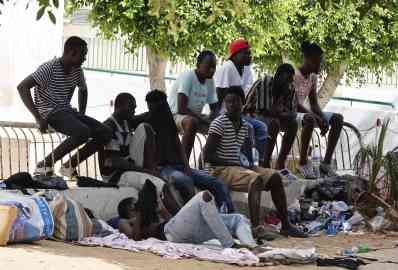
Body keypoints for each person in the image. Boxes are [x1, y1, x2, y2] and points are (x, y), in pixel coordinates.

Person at [203, 86, 306, 238]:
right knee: (255, 179)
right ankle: (256, 227)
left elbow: (247, 154)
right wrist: (237, 164)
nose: (231, 105)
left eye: (235, 101)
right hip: (219, 169)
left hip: (236, 168)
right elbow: (208, 156)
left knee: (275, 177)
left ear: (243, 103)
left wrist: (250, 165)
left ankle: (286, 225)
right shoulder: (219, 123)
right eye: (228, 102)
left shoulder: (245, 126)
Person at [17, 36, 112, 175]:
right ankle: (44, 165)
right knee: (83, 132)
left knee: (106, 132)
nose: (84, 59)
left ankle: (69, 166)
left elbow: (83, 90)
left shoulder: (77, 70)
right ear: (71, 52)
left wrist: (82, 114)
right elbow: (22, 87)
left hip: (67, 111)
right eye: (83, 55)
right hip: (50, 112)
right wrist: (38, 118)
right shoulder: (49, 68)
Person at [145, 90, 234, 213]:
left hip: (178, 166)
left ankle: (228, 216)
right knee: (185, 181)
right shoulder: (146, 123)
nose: (163, 108)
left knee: (217, 184)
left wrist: (186, 166)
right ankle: (195, 215)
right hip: (163, 168)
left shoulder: (168, 120)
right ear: (151, 106)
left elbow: (178, 145)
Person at [118, 180, 258, 249]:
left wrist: (160, 208)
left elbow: (172, 221)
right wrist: (140, 212)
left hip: (180, 231)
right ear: (128, 209)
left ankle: (252, 248)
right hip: (173, 234)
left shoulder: (150, 215)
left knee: (238, 219)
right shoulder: (123, 221)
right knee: (204, 196)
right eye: (133, 205)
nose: (136, 205)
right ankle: (230, 245)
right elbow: (135, 238)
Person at [214, 39, 267, 165]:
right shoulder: (227, 68)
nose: (250, 56)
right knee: (250, 128)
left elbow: (246, 94)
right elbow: (219, 95)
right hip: (224, 113)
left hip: (239, 112)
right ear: (235, 54)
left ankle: (259, 162)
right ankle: (248, 164)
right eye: (246, 53)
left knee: (261, 127)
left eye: (250, 53)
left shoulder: (246, 69)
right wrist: (216, 117)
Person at [294, 42, 344, 177]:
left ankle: (326, 164)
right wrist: (316, 117)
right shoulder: (295, 75)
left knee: (337, 119)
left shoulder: (313, 77)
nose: (319, 66)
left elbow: (314, 103)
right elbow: (295, 104)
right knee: (310, 119)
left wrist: (322, 117)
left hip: (304, 113)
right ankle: (303, 163)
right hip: (291, 113)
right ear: (307, 59)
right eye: (317, 62)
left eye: (320, 62)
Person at [244, 64, 298, 179]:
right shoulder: (264, 83)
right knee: (274, 123)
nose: (289, 83)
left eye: (291, 80)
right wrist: (282, 112)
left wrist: (282, 112)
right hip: (251, 116)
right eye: (287, 80)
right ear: (279, 76)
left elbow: (293, 113)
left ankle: (280, 163)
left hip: (273, 117)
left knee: (293, 124)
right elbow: (266, 111)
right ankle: (265, 162)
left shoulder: (290, 88)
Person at [168, 51, 218, 159]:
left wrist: (213, 119)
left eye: (214, 67)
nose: (212, 70)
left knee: (219, 127)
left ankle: (205, 159)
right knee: (192, 122)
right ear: (198, 64)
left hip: (194, 116)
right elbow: (181, 108)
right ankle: (182, 161)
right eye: (208, 66)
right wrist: (204, 120)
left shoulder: (210, 81)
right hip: (174, 115)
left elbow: (214, 107)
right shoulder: (188, 76)